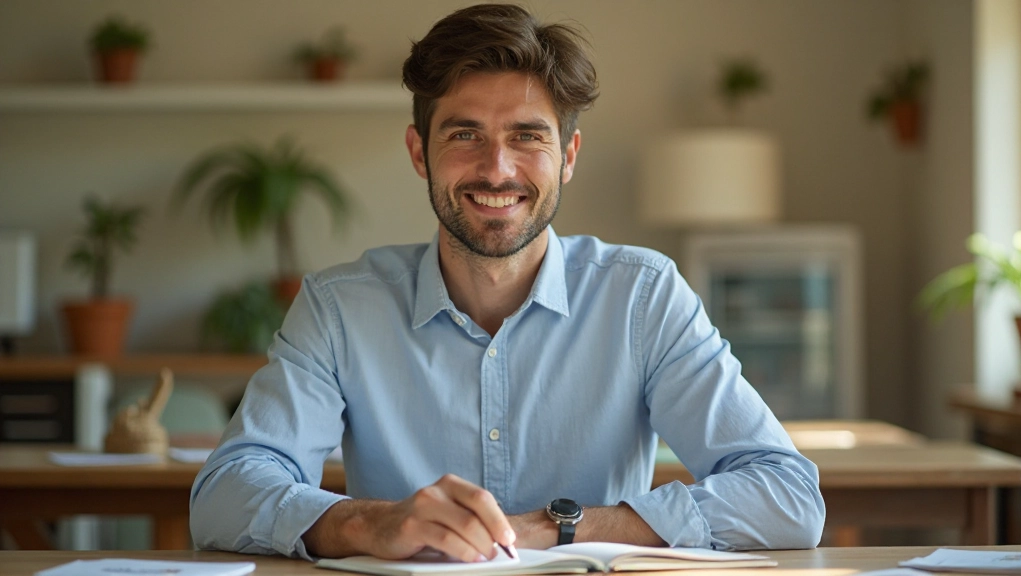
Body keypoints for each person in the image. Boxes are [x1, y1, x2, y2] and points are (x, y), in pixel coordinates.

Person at [190, 3, 825, 562]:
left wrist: (558, 528)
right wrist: (371, 522)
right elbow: (224, 495)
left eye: (527, 137)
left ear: (568, 157)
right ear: (420, 152)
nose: (497, 170)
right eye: (465, 134)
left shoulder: (643, 296)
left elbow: (788, 497)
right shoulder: (338, 307)